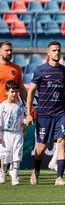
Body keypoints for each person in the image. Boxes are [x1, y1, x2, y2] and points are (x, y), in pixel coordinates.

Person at [25, 41, 65, 186]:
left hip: (60, 114)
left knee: (62, 142)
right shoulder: (40, 70)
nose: (57, 52)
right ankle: (36, 171)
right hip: (44, 115)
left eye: (59, 50)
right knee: (41, 148)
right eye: (54, 50)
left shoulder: (64, 71)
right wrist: (29, 113)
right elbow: (31, 92)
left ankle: (59, 177)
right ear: (48, 53)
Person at [0, 41, 29, 172]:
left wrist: (29, 107)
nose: (9, 52)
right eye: (6, 50)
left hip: (14, 109)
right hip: (1, 108)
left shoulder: (16, 68)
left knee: (15, 139)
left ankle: (12, 168)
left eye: (10, 50)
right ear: (0, 52)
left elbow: (21, 88)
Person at [0, 80, 26, 185]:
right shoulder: (2, 106)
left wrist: (26, 123)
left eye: (16, 91)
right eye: (12, 91)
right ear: (6, 92)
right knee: (5, 157)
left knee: (17, 156)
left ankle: (15, 177)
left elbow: (22, 120)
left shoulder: (20, 106)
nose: (14, 94)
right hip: (6, 134)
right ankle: (2, 173)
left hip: (17, 134)